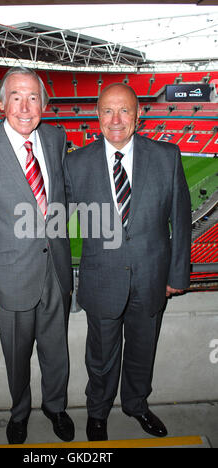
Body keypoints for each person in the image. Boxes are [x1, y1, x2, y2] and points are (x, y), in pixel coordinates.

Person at [64, 83, 192, 441]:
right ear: (97, 116)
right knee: (101, 358)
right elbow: (54, 223)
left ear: (138, 116)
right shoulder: (76, 163)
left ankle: (137, 405)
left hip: (153, 277)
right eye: (107, 111)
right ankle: (98, 413)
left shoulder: (167, 156)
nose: (116, 119)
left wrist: (177, 274)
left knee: (141, 352)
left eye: (124, 111)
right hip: (101, 279)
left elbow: (180, 221)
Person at [0, 67, 74, 445]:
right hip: (7, 281)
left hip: (54, 272)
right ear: (1, 103)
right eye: (16, 97)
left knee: (57, 351)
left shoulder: (57, 140)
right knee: (17, 357)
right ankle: (19, 413)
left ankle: (56, 408)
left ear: (44, 103)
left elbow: (59, 203)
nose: (25, 107)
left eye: (33, 97)